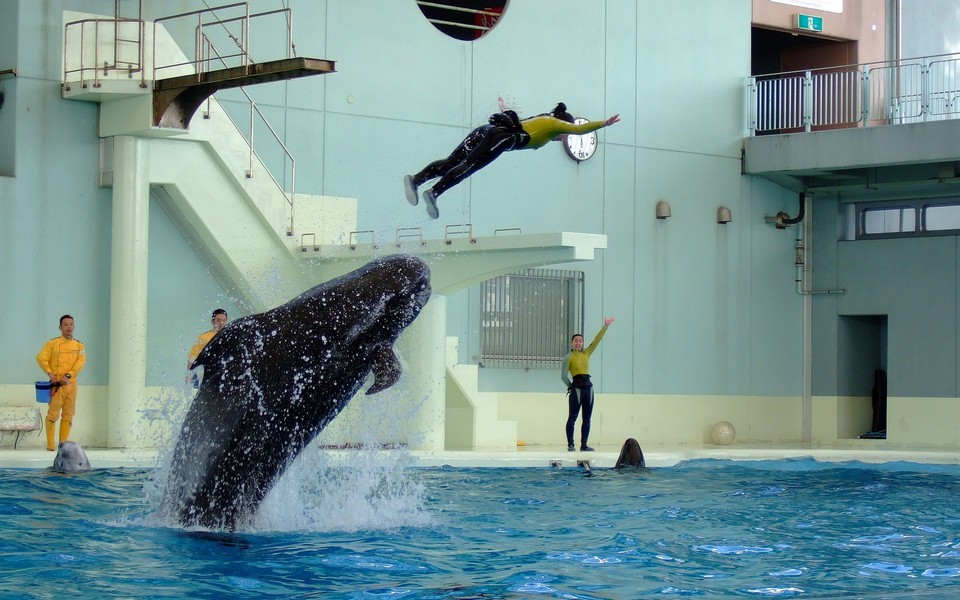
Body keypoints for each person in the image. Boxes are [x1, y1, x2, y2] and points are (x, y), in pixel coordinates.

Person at [404, 102, 620, 219]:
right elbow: (580, 129)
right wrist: (604, 124)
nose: (563, 138)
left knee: (452, 161)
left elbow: (517, 120)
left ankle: (416, 179)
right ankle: (434, 192)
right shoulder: (555, 124)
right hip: (503, 138)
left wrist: (504, 106)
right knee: (468, 167)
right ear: (565, 125)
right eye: (565, 135)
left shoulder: (541, 119)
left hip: (487, 130)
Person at [561, 316, 614, 452]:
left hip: (588, 390)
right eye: (576, 341)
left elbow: (596, 340)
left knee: (587, 419)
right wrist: (571, 387)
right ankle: (571, 444)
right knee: (572, 418)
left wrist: (605, 326)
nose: (578, 343)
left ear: (583, 343)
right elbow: (563, 376)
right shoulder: (568, 358)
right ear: (572, 343)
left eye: (580, 341)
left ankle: (584, 445)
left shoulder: (587, 353)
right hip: (577, 390)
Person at [36, 314, 87, 451]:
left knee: (68, 415)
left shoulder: (79, 345)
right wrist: (50, 373)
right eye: (66, 324)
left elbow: (81, 362)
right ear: (60, 327)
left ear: (74, 326)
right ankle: (50, 445)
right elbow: (41, 358)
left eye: (71, 324)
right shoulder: (52, 343)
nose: (69, 327)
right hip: (57, 385)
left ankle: (63, 445)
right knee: (52, 414)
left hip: (71, 384)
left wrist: (69, 375)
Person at [186, 309, 228, 385]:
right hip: (205, 374)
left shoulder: (230, 338)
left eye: (224, 320)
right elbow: (192, 359)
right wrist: (188, 378)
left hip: (222, 374)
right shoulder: (204, 337)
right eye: (218, 320)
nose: (221, 323)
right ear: (212, 321)